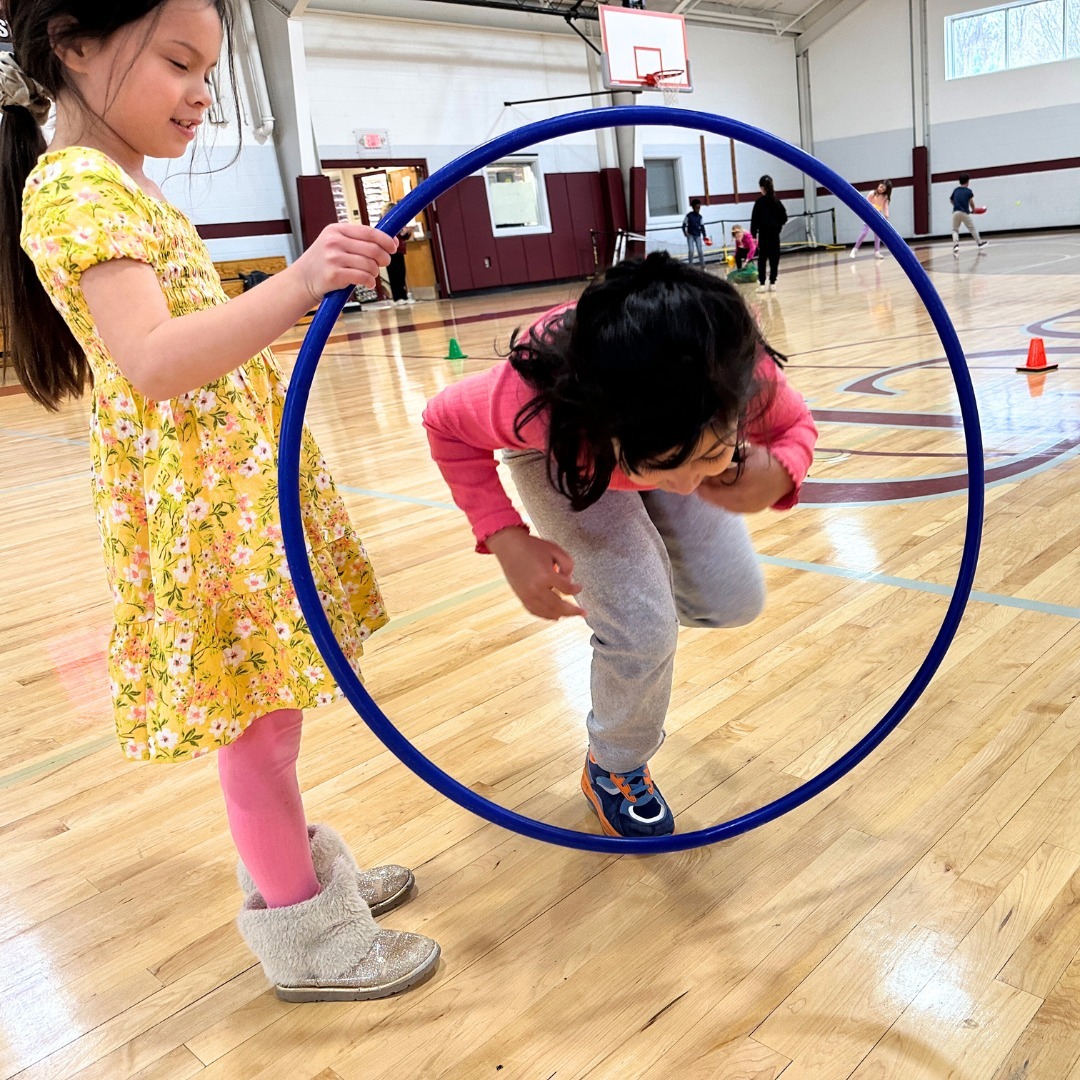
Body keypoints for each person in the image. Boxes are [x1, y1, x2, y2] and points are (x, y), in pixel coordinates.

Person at [1, 0, 439, 1002]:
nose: (202, 94)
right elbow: (152, 363)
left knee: (269, 718)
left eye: (211, 71)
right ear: (73, 45)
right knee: (257, 728)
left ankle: (300, 881)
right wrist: (300, 279)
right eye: (179, 64)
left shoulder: (125, 182)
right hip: (199, 508)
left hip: (232, 489)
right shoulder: (74, 184)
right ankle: (308, 936)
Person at [423, 253, 817, 839]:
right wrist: (505, 537)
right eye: (667, 469)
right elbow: (443, 423)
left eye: (714, 456)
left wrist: (784, 466)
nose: (691, 486)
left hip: (652, 435)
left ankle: (641, 603)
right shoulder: (533, 402)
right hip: (564, 451)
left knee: (733, 600)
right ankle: (615, 765)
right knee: (641, 626)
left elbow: (793, 427)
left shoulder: (737, 372)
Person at [750, 175, 787, 293]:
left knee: (762, 259)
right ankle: (772, 283)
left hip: (764, 235)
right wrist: (778, 227)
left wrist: (754, 236)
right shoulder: (777, 202)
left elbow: (754, 221)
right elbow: (784, 218)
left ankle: (762, 284)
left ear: (761, 188)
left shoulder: (759, 202)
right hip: (774, 235)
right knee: (774, 259)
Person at [850, 179, 892, 259]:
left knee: (877, 234)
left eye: (883, 189)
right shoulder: (872, 193)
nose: (881, 189)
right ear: (879, 185)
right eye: (881, 187)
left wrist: (886, 215)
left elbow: (885, 207)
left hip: (878, 215)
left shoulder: (885, 197)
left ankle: (877, 251)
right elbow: (865, 203)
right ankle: (855, 249)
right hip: (869, 214)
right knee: (864, 232)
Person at [950, 173, 988, 255]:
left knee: (955, 230)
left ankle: (956, 246)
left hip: (955, 212)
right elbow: (971, 202)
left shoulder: (956, 190)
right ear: (968, 181)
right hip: (964, 213)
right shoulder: (968, 191)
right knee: (972, 228)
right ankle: (979, 243)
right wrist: (973, 210)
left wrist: (956, 206)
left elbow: (951, 200)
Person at [386, 204, 415, 304]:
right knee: (394, 274)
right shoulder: (386, 221)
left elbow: (403, 237)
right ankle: (397, 297)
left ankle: (403, 295)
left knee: (401, 273)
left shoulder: (399, 220)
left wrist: (407, 232)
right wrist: (401, 233)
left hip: (400, 250)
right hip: (390, 250)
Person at [682, 198, 709, 268]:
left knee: (700, 251)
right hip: (690, 235)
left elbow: (702, 227)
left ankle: (703, 266)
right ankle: (690, 266)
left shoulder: (700, 217)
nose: (698, 209)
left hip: (697, 235)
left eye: (699, 207)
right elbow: (683, 225)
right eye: (697, 207)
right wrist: (685, 232)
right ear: (693, 207)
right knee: (691, 251)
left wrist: (705, 236)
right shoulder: (689, 216)